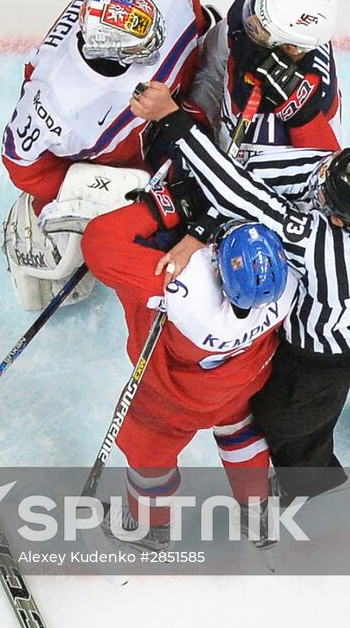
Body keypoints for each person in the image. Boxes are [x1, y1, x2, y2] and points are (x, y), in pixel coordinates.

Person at [131, 82, 350, 499]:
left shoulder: (318, 245)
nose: (320, 181)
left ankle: (315, 485)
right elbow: (312, 166)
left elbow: (242, 194)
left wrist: (173, 119)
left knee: (287, 420)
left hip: (324, 354)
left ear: (336, 222)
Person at [81, 195, 296, 550]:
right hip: (239, 380)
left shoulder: (186, 291)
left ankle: (150, 526)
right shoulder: (284, 282)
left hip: (171, 401)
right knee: (239, 426)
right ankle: (259, 515)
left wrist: (166, 206)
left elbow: (99, 243)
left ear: (218, 273)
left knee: (149, 450)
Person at [0, 0, 213, 309]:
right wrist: (82, 191)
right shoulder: (54, 99)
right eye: (144, 48)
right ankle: (53, 231)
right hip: (128, 158)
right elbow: (21, 164)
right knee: (144, 212)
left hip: (178, 113)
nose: (157, 43)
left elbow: (197, 15)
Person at [189, 0, 342, 160]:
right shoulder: (243, 18)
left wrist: (304, 117)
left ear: (289, 48)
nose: (251, 19)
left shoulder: (314, 96)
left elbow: (324, 168)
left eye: (263, 25)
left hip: (283, 150)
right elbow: (208, 72)